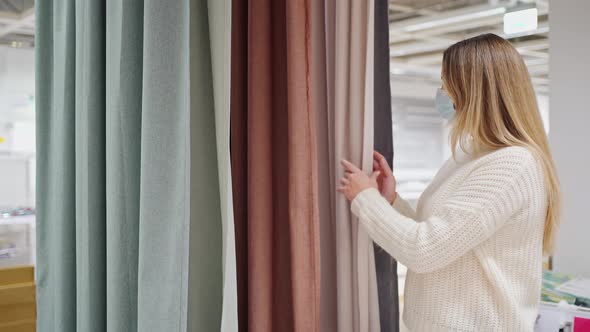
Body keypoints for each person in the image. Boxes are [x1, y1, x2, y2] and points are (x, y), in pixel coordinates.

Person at [338, 33, 561, 332]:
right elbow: (439, 234)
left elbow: (424, 250)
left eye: (447, 84)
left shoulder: (512, 165)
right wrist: (391, 201)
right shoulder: (470, 154)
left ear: (474, 92)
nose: (441, 93)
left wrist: (365, 199)